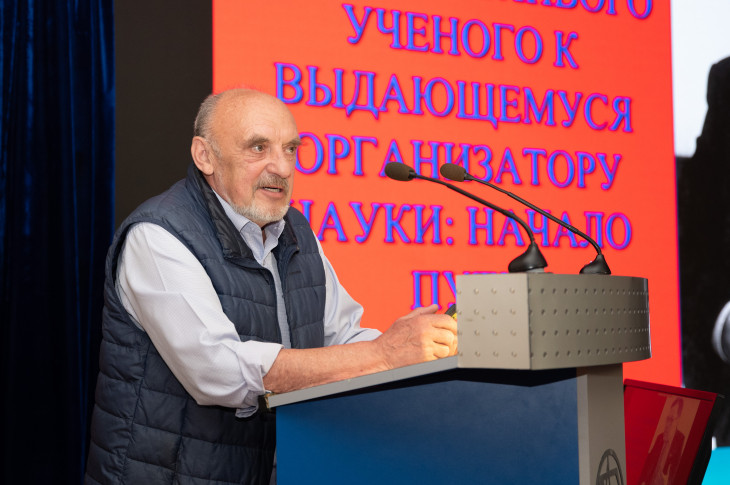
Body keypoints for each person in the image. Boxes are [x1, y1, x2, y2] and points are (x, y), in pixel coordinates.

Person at [84, 89, 458, 485]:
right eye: (258, 148)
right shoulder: (158, 235)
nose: (281, 167)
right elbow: (220, 371)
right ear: (205, 156)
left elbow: (343, 337)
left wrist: (421, 348)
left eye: (290, 149)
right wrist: (383, 354)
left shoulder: (296, 231)